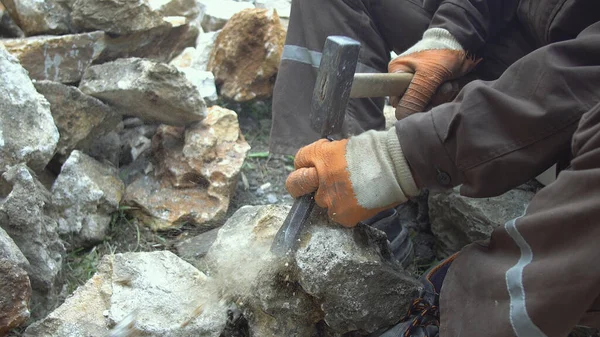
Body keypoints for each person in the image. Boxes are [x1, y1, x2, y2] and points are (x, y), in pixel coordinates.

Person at [275, 0, 600, 336]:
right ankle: (342, 190)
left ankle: (461, 319)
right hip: (520, 49)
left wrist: (399, 158)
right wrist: (449, 35)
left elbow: (583, 75)